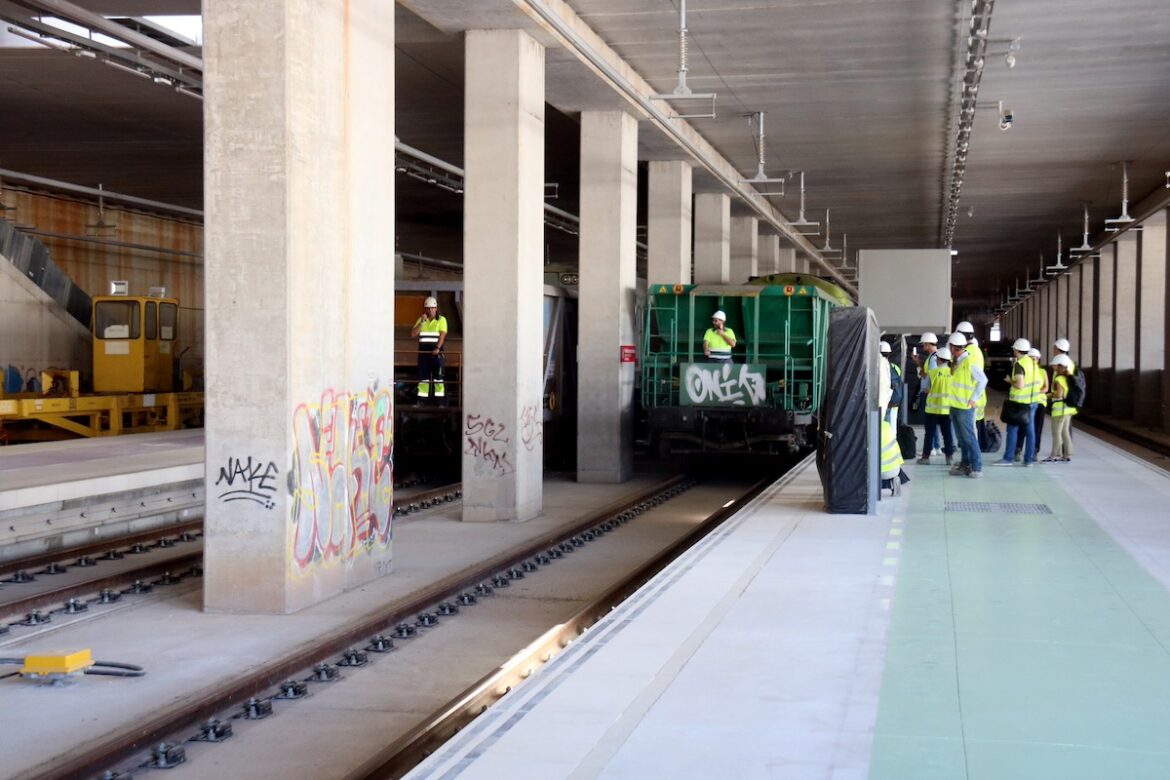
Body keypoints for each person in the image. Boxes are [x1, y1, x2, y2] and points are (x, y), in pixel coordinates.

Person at [947, 332, 988, 478]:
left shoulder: (969, 362)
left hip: (965, 408)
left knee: (969, 437)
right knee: (962, 438)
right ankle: (965, 464)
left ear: (952, 347)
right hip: (955, 405)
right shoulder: (957, 362)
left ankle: (977, 467)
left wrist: (974, 398)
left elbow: (983, 380)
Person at [994, 338, 1038, 467]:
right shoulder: (1032, 363)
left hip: (1020, 403)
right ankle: (1028, 460)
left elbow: (1019, 385)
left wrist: (1009, 381)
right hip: (1032, 401)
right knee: (1030, 432)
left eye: (1014, 348)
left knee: (1012, 430)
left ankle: (1008, 458)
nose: (1013, 350)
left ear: (1017, 350)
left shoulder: (1019, 364)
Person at [918, 346, 955, 465]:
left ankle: (925, 457)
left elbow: (927, 388)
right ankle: (949, 458)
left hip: (932, 409)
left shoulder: (933, 373)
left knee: (929, 434)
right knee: (947, 434)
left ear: (938, 359)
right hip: (947, 410)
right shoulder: (953, 374)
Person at [411, 296, 447, 402]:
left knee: (438, 378)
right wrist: (422, 322)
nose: (430, 310)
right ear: (425, 309)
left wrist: (437, 347)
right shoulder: (421, 320)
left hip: (437, 354)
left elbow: (442, 335)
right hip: (423, 355)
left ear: (436, 308)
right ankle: (422, 400)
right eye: (428, 308)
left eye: (432, 308)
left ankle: (440, 401)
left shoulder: (441, 320)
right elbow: (413, 334)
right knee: (423, 378)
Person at [911, 332, 942, 455]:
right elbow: (925, 374)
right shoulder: (932, 357)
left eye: (923, 344)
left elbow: (936, 376)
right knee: (932, 420)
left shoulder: (933, 358)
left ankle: (932, 448)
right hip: (930, 393)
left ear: (928, 344)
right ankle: (937, 446)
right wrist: (918, 362)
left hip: (930, 394)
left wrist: (931, 389)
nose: (922, 346)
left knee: (930, 421)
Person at [1044, 354, 1077, 461]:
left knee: (1056, 432)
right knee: (1065, 432)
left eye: (1054, 365)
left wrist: (1050, 395)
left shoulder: (1059, 378)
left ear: (1059, 366)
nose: (1052, 367)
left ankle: (1054, 455)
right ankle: (1068, 454)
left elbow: (1059, 394)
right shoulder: (1068, 377)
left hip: (1060, 410)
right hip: (1068, 409)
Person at [880, 341, 903, 424]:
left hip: (884, 402)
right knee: (892, 426)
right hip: (894, 402)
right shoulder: (895, 367)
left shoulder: (878, 367)